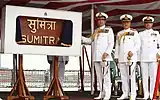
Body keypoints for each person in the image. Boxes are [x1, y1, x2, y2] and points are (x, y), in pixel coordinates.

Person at [82, 12, 114, 100]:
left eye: (102, 20)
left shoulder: (108, 30)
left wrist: (107, 52)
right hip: (96, 56)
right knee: (99, 76)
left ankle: (108, 94)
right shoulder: (96, 31)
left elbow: (111, 43)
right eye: (99, 20)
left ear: (105, 21)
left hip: (104, 57)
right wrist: (80, 37)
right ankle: (102, 93)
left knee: (106, 76)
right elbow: (90, 40)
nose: (100, 21)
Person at [114, 14, 141, 100]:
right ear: (122, 23)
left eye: (127, 22)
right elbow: (117, 46)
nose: (126, 24)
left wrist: (132, 51)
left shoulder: (134, 32)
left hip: (131, 58)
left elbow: (138, 44)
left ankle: (133, 94)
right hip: (122, 58)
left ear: (130, 23)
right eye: (124, 22)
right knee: (123, 76)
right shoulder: (119, 33)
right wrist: (116, 56)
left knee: (131, 77)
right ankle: (125, 93)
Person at [138, 16, 160, 100]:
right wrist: (138, 59)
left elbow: (159, 45)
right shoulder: (140, 34)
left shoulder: (156, 33)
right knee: (144, 77)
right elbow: (139, 47)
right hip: (143, 57)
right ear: (144, 24)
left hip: (153, 58)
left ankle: (152, 94)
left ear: (152, 24)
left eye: (149, 23)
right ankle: (146, 94)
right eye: (146, 23)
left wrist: (158, 55)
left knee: (153, 77)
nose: (148, 24)